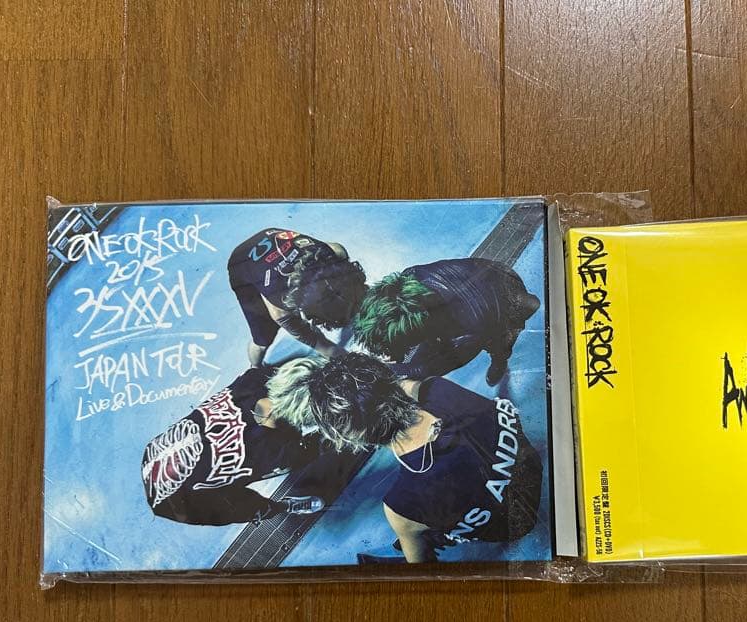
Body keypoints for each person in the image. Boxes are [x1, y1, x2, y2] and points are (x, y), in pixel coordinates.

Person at [269, 352, 544, 562]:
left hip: (514, 525)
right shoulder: (439, 389)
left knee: (412, 536)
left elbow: (422, 569)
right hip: (530, 469)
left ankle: (424, 536)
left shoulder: (400, 505)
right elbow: (408, 386)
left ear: (348, 437)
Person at [141, 360, 357, 526]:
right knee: (248, 508)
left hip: (159, 451)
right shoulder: (278, 454)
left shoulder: (253, 379)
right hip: (183, 502)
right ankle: (283, 507)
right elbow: (322, 443)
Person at [351, 258, 541, 386]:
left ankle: (499, 360)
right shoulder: (409, 277)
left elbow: (428, 369)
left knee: (500, 345)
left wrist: (394, 368)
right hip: (493, 271)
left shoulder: (466, 336)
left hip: (504, 308)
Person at [227, 228, 368, 366]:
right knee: (263, 338)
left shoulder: (333, 253)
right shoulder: (280, 308)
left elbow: (338, 253)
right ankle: (254, 368)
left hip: (271, 242)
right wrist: (343, 357)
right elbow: (322, 345)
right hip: (241, 262)